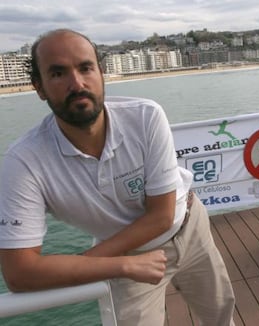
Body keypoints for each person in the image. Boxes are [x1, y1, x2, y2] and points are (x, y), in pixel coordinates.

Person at [0, 29, 235, 325]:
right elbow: (19, 273)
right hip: (124, 256)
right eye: (58, 73)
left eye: (85, 68)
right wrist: (121, 265)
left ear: (101, 72)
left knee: (219, 313)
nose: (77, 83)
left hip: (188, 227)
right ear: (39, 87)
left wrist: (85, 263)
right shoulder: (25, 161)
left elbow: (161, 216)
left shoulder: (145, 117)